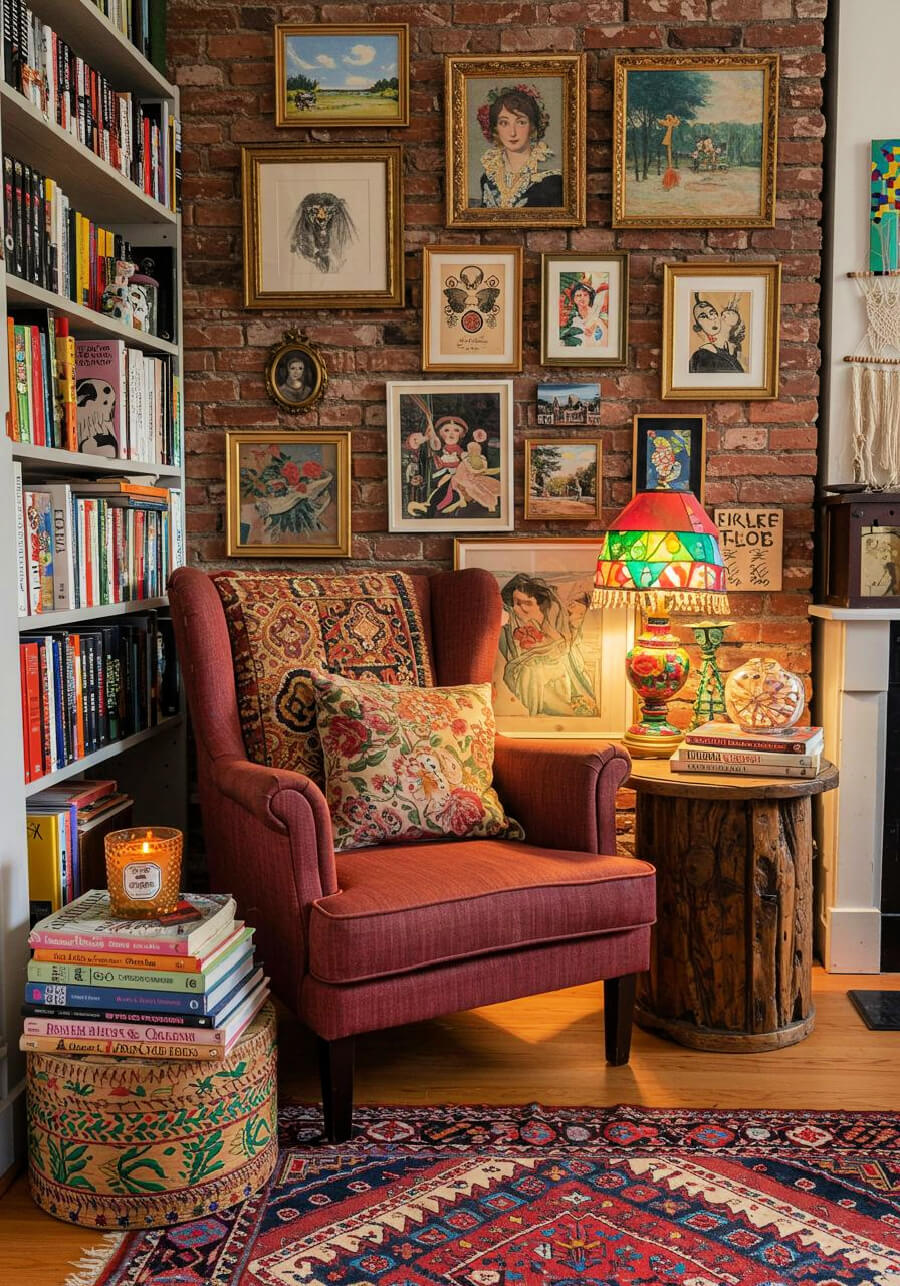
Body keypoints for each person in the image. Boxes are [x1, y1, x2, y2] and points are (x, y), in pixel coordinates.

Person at [498, 574, 598, 718]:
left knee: (539, 673)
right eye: (516, 603)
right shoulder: (510, 624)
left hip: (554, 666)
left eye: (526, 603)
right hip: (524, 668)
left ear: (540, 605)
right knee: (530, 672)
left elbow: (562, 646)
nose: (518, 609)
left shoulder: (552, 619)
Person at [475, 86, 563, 209]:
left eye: (521, 122)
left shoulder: (552, 180)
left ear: (532, 126)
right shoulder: (488, 178)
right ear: (496, 128)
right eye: (504, 123)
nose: (512, 132)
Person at [688, 295, 745, 373]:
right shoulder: (700, 356)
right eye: (703, 316)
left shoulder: (732, 351)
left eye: (712, 313)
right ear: (698, 326)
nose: (712, 318)